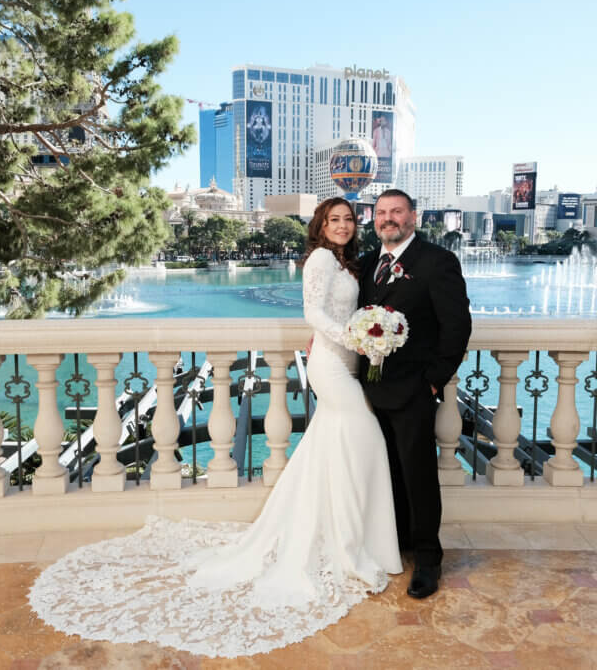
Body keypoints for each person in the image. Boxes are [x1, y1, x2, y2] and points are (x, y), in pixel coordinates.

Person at [29, 197, 402, 658]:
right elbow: (314, 315)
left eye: (348, 220)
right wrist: (356, 337)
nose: (342, 226)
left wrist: (366, 335)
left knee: (334, 445)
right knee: (363, 434)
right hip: (331, 363)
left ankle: (341, 532)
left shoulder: (350, 263)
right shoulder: (322, 259)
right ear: (320, 227)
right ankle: (349, 544)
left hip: (347, 360)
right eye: (334, 220)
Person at [358, 188, 471, 599]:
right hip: (369, 390)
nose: (388, 218)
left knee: (418, 475)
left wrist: (434, 381)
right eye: (382, 212)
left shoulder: (437, 261)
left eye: (397, 211)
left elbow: (456, 327)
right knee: (383, 471)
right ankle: (397, 542)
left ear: (413, 217)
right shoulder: (369, 263)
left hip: (413, 390)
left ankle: (428, 560)